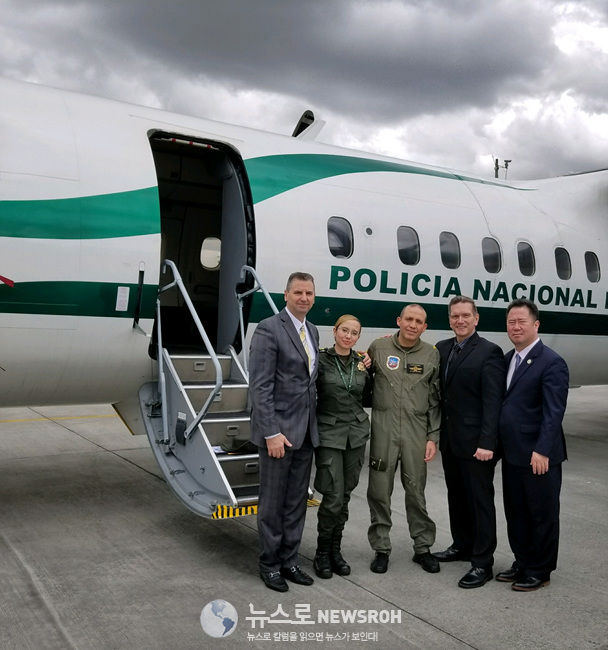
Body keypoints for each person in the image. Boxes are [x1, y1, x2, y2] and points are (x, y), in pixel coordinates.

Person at [249, 272, 319, 592]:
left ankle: (290, 559)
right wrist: (271, 432)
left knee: (295, 503)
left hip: (304, 434)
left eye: (309, 293)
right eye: (298, 292)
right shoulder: (269, 328)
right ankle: (269, 563)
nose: (303, 298)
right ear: (286, 295)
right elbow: (260, 386)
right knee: (272, 503)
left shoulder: (313, 331)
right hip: (279, 435)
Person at [433, 296, 505, 588]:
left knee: (480, 502)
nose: (459, 321)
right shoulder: (442, 348)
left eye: (465, 315)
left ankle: (482, 562)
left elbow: (493, 402)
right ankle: (462, 544)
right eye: (454, 316)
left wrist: (488, 441)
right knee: (457, 496)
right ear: (449, 319)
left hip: (478, 444)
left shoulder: (489, 352)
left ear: (476, 318)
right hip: (451, 440)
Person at [497, 298, 569, 592]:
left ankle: (540, 569)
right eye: (511, 322)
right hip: (513, 453)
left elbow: (554, 413)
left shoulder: (552, 362)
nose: (515, 327)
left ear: (535, 325)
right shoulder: (507, 359)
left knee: (542, 513)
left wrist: (542, 450)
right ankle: (523, 561)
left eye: (521, 322)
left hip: (538, 454)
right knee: (517, 511)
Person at [366, 303, 441, 574]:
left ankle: (422, 547)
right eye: (408, 319)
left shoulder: (432, 355)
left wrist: (433, 436)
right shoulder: (379, 348)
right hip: (384, 432)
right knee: (379, 491)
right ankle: (381, 548)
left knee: (416, 491)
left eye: (418, 321)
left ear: (425, 326)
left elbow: (435, 400)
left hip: (415, 433)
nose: (412, 324)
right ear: (399, 320)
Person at [313, 315, 372, 579]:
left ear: (359, 337)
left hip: (356, 435)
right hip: (329, 434)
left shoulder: (362, 363)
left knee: (346, 495)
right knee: (332, 496)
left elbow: (368, 396)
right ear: (335, 331)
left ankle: (336, 551)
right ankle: (322, 552)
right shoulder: (320, 359)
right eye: (344, 331)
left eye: (354, 333)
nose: (348, 336)